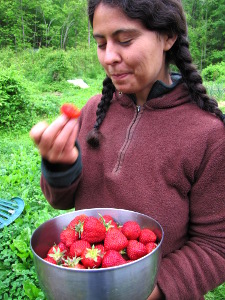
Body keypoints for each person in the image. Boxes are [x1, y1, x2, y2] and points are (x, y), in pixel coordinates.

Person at [30, 0, 225, 299]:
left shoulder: (208, 135)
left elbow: (216, 245)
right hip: (85, 283)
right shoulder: (95, 110)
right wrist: (60, 167)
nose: (109, 57)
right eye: (100, 43)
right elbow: (61, 202)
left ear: (168, 36)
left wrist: (153, 288)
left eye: (125, 40)